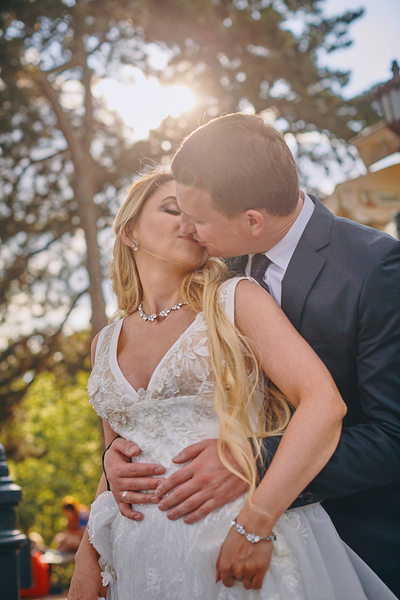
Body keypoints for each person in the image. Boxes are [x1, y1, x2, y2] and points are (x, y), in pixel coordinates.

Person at [104, 114, 400, 597]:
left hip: (350, 535)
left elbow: (393, 434)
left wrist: (249, 463)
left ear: (253, 220)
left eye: (197, 219)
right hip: (190, 543)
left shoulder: (375, 268)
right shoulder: (218, 269)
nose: (191, 232)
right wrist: (117, 459)